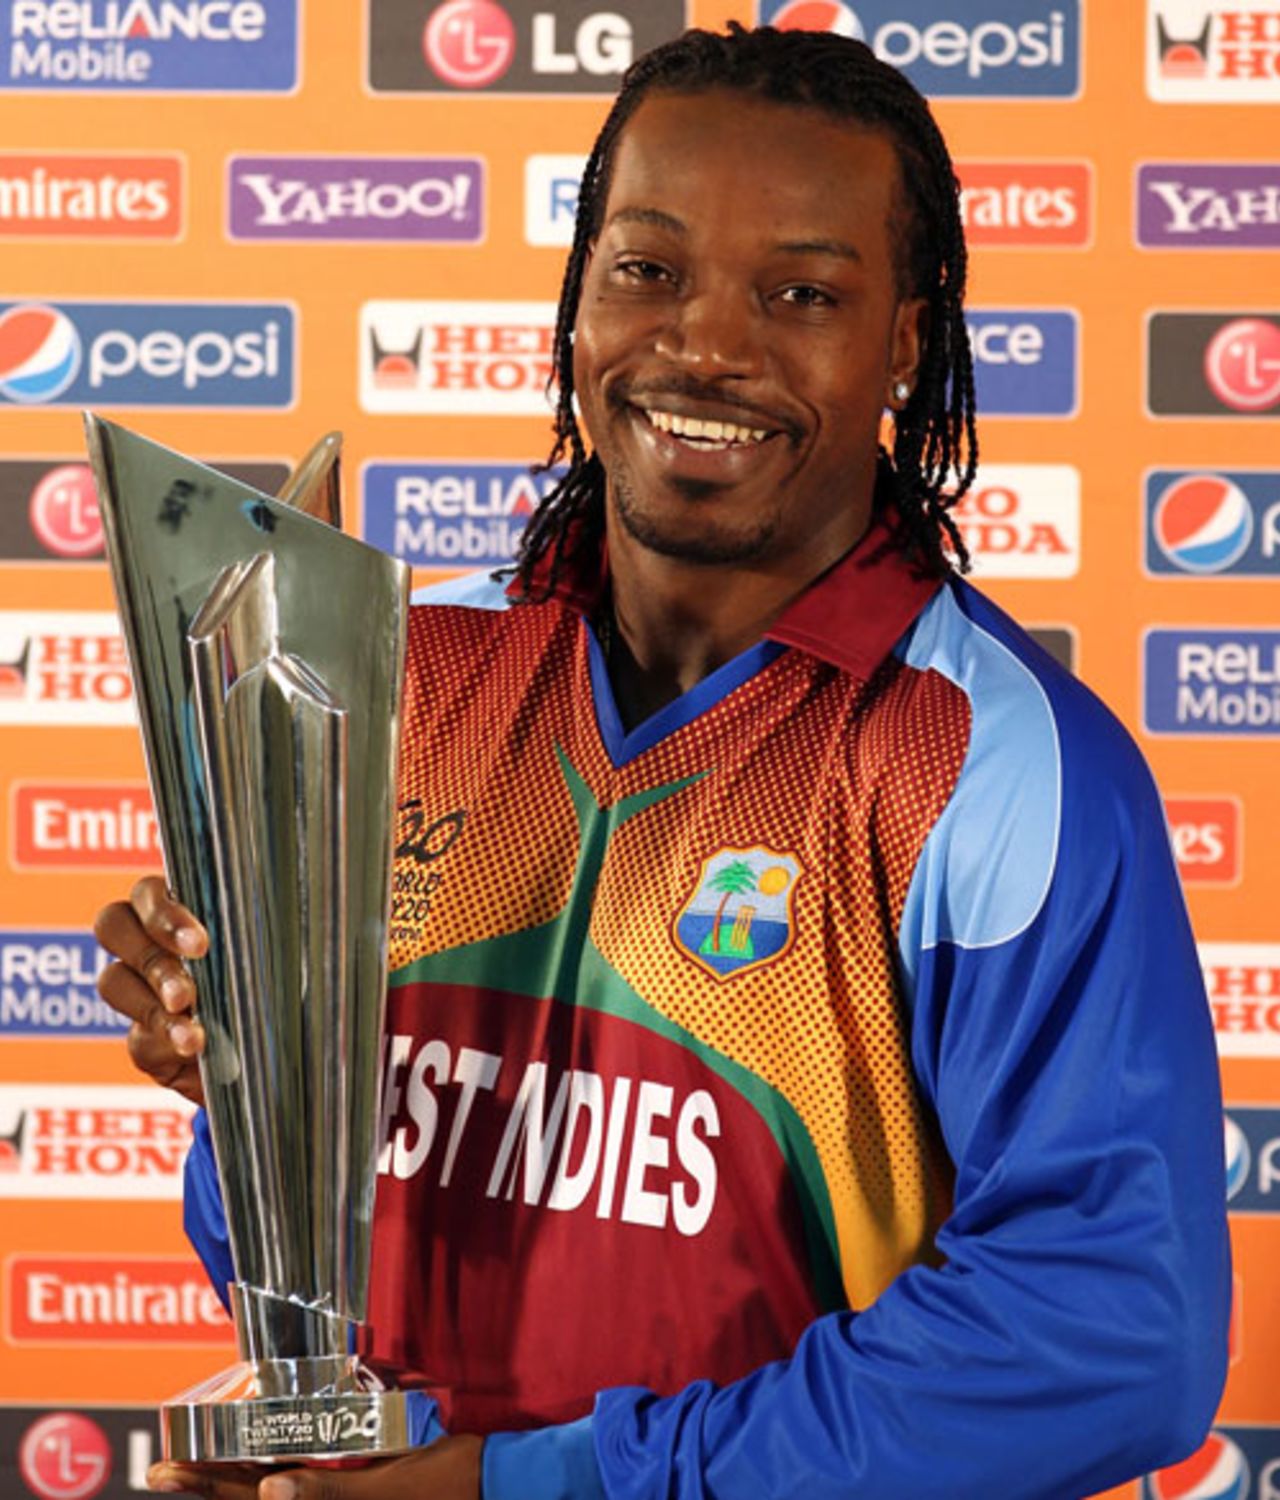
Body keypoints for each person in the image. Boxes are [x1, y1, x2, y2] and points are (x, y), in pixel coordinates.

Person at [94, 24, 1230, 1500]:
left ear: (905, 339)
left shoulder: (985, 759)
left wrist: (526, 1486)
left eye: (802, 293)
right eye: (647, 269)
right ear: (577, 301)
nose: (707, 343)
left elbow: (1109, 1333)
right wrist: (247, 1087)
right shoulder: (394, 677)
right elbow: (310, 1250)